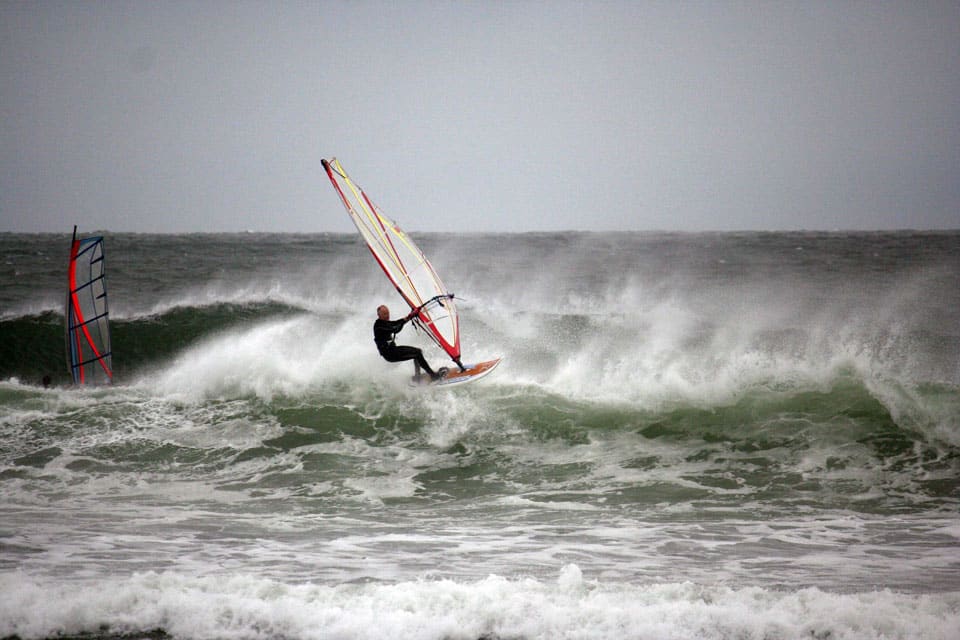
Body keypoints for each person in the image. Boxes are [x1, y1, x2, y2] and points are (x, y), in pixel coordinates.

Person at [373, 305, 446, 381]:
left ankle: (417, 377)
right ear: (379, 315)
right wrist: (406, 319)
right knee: (417, 354)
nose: (387, 316)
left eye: (388, 313)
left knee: (418, 351)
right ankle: (433, 376)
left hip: (393, 350)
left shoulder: (385, 322)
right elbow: (396, 329)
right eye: (385, 314)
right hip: (389, 354)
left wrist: (409, 316)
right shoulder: (379, 326)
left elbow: (396, 323)